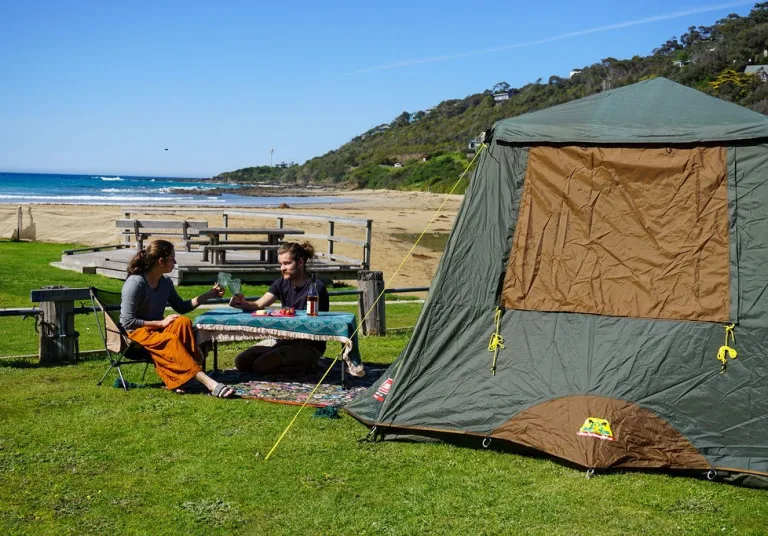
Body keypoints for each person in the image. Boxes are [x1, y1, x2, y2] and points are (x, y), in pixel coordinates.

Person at [120, 239, 234, 397]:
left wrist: (210, 294)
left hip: (156, 330)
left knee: (182, 322)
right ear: (161, 261)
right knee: (170, 340)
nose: (175, 261)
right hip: (135, 332)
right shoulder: (135, 283)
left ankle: (182, 375)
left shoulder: (165, 282)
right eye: (172, 258)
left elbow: (182, 307)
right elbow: (127, 321)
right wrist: (161, 322)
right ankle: (209, 383)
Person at [229, 241, 330, 374]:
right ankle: (282, 360)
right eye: (280, 264)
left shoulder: (316, 288)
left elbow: (314, 326)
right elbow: (259, 304)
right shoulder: (281, 282)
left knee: (261, 366)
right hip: (283, 339)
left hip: (307, 345)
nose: (282, 268)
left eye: (287, 263)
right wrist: (242, 304)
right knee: (242, 361)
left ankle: (311, 366)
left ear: (300, 262)